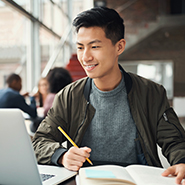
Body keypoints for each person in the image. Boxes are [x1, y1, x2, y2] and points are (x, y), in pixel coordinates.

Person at [32, 7, 185, 184]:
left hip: (137, 180)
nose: (85, 57)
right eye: (80, 47)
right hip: (87, 180)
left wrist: (182, 162)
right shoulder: (69, 96)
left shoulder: (151, 92)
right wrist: (61, 155)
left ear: (119, 46)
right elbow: (39, 141)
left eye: (94, 47)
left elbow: (175, 141)